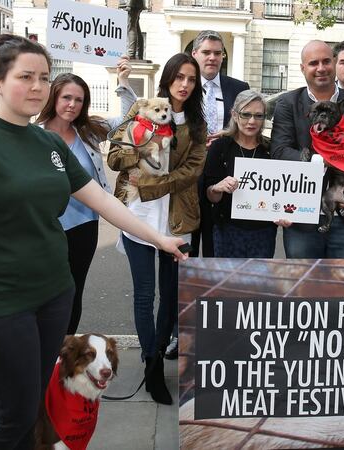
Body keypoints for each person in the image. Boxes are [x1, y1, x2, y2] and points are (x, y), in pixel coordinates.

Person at [0, 34, 187, 449]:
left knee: (34, 402)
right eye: (25, 77)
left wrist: (158, 238)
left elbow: (101, 198)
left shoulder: (48, 141)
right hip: (0, 301)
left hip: (54, 294)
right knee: (13, 414)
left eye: (43, 78)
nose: (37, 87)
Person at [107, 52, 206, 405]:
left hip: (177, 220)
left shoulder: (196, 123)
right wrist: (143, 149)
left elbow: (191, 171)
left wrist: (150, 184)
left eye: (191, 79)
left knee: (170, 297)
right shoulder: (142, 109)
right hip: (139, 219)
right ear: (167, 78)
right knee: (144, 294)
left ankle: (159, 355)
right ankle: (151, 364)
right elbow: (115, 156)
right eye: (179, 76)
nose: (184, 84)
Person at [36, 58, 136, 335]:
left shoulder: (89, 131)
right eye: (67, 97)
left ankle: (63, 349)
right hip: (45, 228)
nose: (72, 104)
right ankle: (42, 348)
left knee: (73, 290)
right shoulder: (33, 134)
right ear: (54, 97)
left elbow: (129, 119)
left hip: (84, 226)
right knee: (45, 292)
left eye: (79, 100)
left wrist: (123, 82)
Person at [270, 40, 344, 259]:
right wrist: (319, 161)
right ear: (303, 68)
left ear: (334, 63)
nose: (321, 68)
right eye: (313, 63)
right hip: (302, 217)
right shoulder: (288, 103)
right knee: (303, 285)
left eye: (326, 61)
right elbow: (279, 151)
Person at [190, 30, 250, 258]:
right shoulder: (184, 87)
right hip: (189, 174)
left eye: (217, 53)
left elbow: (247, 128)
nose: (212, 57)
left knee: (219, 244)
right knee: (190, 244)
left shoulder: (239, 88)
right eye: (206, 52)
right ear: (195, 54)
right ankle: (190, 290)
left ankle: (214, 292)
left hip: (224, 175)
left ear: (223, 56)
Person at [204, 90, 277, 257]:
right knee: (226, 281)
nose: (252, 121)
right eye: (246, 114)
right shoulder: (220, 148)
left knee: (257, 282)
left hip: (263, 232)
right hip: (227, 229)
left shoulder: (271, 150)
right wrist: (217, 188)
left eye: (258, 116)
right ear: (234, 115)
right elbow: (210, 196)